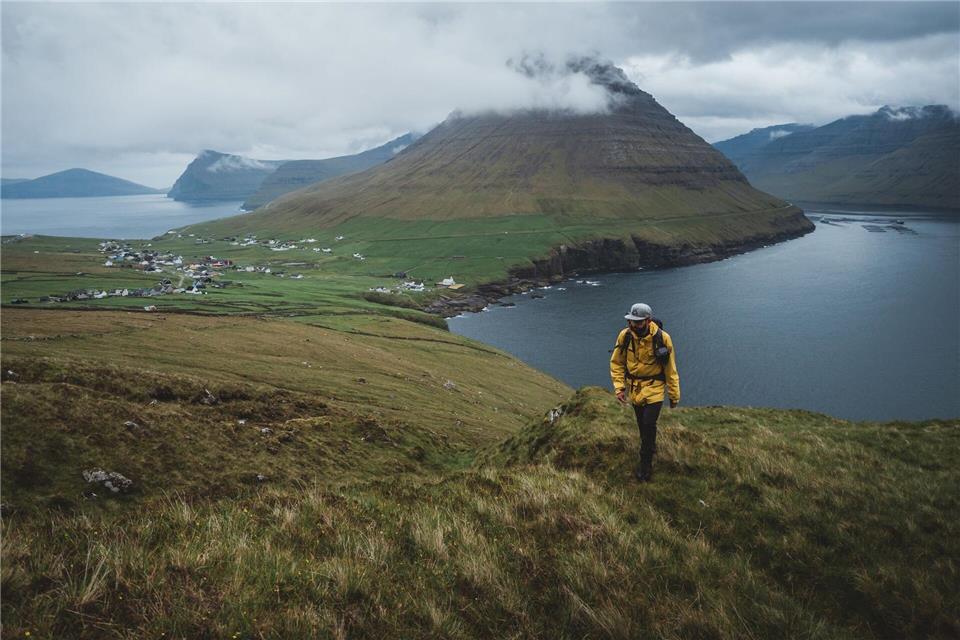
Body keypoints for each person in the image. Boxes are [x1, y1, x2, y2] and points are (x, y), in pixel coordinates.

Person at [609, 302, 680, 482]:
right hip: (635, 389)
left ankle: (645, 465)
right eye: (631, 321)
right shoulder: (625, 336)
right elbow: (616, 363)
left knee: (648, 424)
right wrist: (619, 387)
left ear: (648, 321)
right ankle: (650, 445)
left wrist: (673, 395)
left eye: (638, 322)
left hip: (655, 388)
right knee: (642, 424)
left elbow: (671, 370)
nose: (634, 325)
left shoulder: (663, 338)